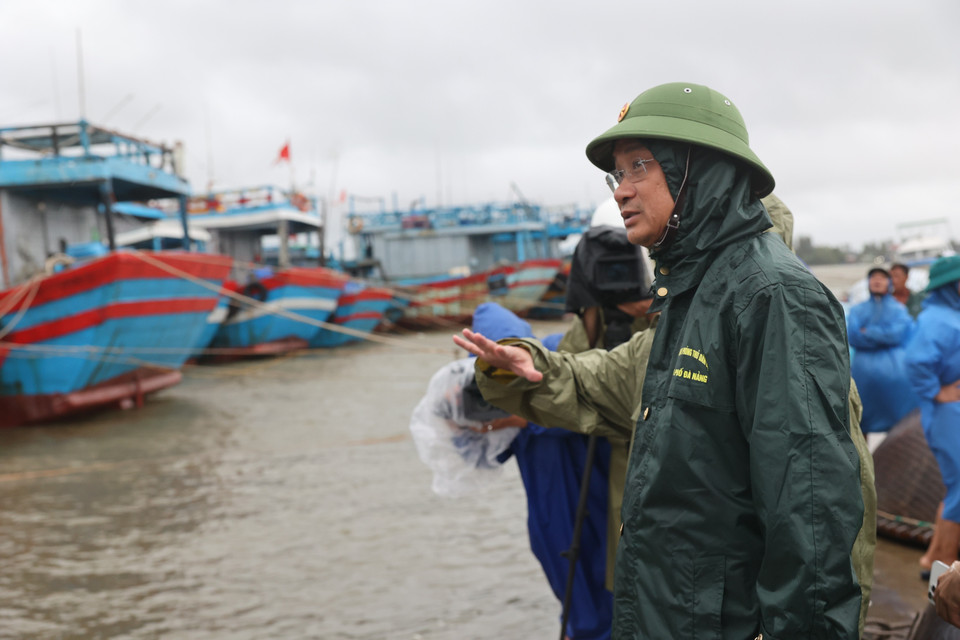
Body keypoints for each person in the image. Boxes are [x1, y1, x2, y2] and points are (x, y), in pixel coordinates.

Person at [455, 82, 863, 639]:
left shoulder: (771, 296)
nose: (621, 190)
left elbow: (811, 514)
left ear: (699, 171)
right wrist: (530, 367)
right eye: (615, 174)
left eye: (638, 167)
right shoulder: (686, 299)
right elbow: (612, 381)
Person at [905, 255, 960, 574]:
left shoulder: (948, 314)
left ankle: (933, 559)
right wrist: (938, 391)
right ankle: (949, 568)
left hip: (950, 411)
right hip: (945, 412)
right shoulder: (938, 318)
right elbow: (915, 361)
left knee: (955, 488)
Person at [846, 266, 919, 433]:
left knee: (898, 423)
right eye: (873, 277)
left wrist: (869, 332)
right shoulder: (858, 310)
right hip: (863, 377)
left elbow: (897, 334)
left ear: (889, 283)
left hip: (895, 379)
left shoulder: (899, 309)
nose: (877, 281)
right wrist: (883, 335)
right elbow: (854, 336)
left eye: (882, 277)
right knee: (861, 422)